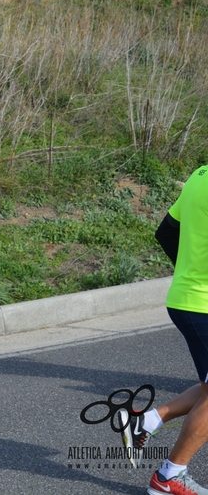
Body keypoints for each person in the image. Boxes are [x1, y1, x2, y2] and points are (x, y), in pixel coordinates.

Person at [118, 166, 208, 495]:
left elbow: (166, 233)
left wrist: (190, 273)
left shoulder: (200, 175)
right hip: (202, 307)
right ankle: (168, 478)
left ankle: (146, 421)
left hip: (189, 299)